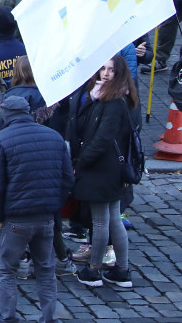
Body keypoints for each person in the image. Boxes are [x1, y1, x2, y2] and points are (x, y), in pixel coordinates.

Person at [0, 94, 74, 323]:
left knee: (7, 271)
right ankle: (49, 318)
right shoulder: (54, 137)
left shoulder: (0, 140)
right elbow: (67, 180)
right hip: (45, 218)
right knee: (46, 271)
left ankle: (8, 318)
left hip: (14, 219)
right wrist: (53, 206)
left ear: (5, 113)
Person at [69, 54, 136, 289]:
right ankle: (121, 270)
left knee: (101, 222)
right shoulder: (106, 97)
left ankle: (95, 270)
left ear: (119, 74)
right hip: (109, 170)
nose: (105, 73)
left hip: (102, 171)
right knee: (112, 219)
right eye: (103, 69)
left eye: (111, 70)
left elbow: (102, 139)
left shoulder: (113, 101)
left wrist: (81, 161)